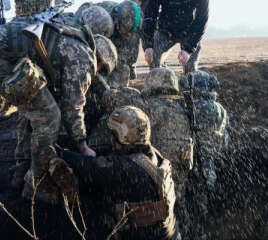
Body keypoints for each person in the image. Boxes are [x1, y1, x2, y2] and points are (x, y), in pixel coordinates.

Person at [0, 5, 118, 203]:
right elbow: (72, 106)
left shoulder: (69, 30)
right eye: (101, 69)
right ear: (101, 60)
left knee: (32, 107)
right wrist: (82, 145)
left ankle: (20, 171)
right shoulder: (85, 58)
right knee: (49, 115)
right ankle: (39, 186)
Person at [87, 68, 229, 239]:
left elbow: (110, 98)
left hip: (149, 193)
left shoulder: (147, 108)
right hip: (176, 191)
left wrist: (96, 78)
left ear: (151, 85)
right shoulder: (185, 112)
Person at [62, 106, 182, 240]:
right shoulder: (153, 156)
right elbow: (109, 156)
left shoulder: (126, 169)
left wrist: (60, 152)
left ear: (122, 137)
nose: (110, 139)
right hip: (170, 234)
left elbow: (88, 167)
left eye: (113, 135)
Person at [75, 0, 143, 88]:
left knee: (120, 74)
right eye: (126, 32)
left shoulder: (132, 31)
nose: (129, 35)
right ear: (116, 21)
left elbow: (123, 63)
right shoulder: (101, 20)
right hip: (88, 34)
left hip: (113, 42)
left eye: (131, 32)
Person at [142, 0, 209, 74]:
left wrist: (188, 49)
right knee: (153, 58)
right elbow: (150, 14)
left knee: (190, 70)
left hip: (189, 32)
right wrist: (148, 45)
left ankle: (188, 81)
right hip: (165, 30)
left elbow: (201, 20)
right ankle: (163, 79)